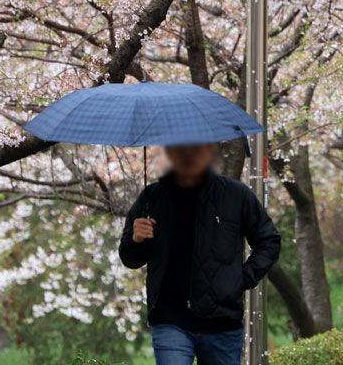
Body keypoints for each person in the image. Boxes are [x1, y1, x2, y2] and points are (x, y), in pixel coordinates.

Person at [120, 143, 281, 365]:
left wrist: (241, 278)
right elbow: (130, 259)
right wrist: (135, 239)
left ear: (210, 151)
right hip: (169, 319)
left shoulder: (235, 195)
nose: (189, 154)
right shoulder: (152, 197)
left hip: (222, 322)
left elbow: (268, 241)